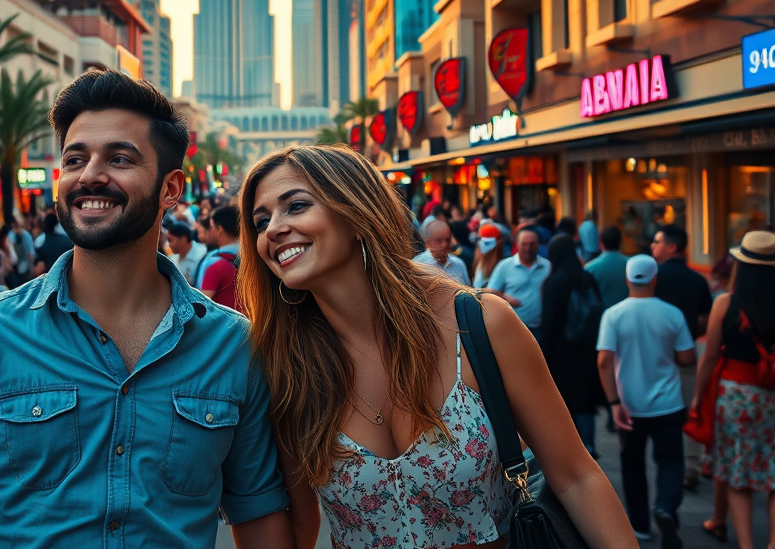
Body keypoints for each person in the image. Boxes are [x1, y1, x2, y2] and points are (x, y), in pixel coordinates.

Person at [0, 69, 292, 548]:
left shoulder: (234, 347)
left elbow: (259, 512)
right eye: (75, 159)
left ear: (170, 188)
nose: (90, 175)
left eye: (120, 158)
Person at [241, 144, 635, 548]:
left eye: (296, 206)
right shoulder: (286, 370)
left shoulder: (481, 323)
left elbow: (576, 477)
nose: (272, 229)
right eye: (260, 221)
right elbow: (301, 525)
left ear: (356, 213)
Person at [597, 254, 696, 548]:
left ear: (628, 279)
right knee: (670, 461)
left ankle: (639, 525)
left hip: (629, 406)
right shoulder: (672, 313)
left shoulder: (614, 314)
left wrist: (614, 403)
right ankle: (665, 507)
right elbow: (688, 357)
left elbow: (604, 361)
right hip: (668, 404)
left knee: (632, 465)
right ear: (655, 279)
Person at [691, 231, 775, 549]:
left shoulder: (725, 303)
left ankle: (746, 544)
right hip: (773, 395)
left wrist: (698, 396)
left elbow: (710, 355)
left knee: (737, 473)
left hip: (736, 396)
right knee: (773, 473)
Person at [653, 223, 712, 491]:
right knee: (690, 408)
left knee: (659, 409)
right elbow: (704, 320)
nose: (653, 247)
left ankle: (666, 460)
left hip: (656, 355)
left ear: (671, 247)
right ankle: (691, 464)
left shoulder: (655, 277)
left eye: (657, 242)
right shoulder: (697, 279)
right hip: (686, 354)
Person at [541, 235, 605, 458]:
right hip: (587, 348)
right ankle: (589, 445)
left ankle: (569, 452)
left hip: (562, 351)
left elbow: (549, 322)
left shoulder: (554, 282)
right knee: (585, 401)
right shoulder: (587, 277)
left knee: (564, 402)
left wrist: (543, 355)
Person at [486, 227, 552, 340]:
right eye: (524, 244)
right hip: (513, 329)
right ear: (517, 244)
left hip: (540, 328)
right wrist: (504, 297)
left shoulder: (547, 266)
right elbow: (489, 293)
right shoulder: (505, 266)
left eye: (532, 244)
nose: (528, 248)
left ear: (538, 245)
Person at [200, 206, 241, 311]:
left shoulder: (214, 264)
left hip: (226, 325)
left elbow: (202, 305)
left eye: (211, 227)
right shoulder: (253, 256)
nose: (210, 231)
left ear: (219, 229)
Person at [413, 218, 472, 286]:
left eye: (447, 240)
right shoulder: (418, 265)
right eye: (439, 241)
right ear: (427, 243)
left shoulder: (458, 264)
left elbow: (468, 291)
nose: (444, 245)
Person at [587, 226, 630, 309]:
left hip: (601, 315)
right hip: (627, 312)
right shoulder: (630, 265)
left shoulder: (590, 268)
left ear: (601, 244)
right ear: (620, 243)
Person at [165, 220, 207, 286]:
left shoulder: (203, 255)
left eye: (170, 240)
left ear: (183, 238)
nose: (169, 245)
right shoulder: (172, 259)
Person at [472, 223, 504, 289]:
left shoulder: (501, 266)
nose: (482, 245)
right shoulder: (478, 260)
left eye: (486, 243)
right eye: (480, 241)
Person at [10, 217, 35, 284]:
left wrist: (31, 266)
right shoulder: (12, 235)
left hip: (25, 265)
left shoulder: (24, 234)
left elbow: (30, 252)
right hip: (17, 265)